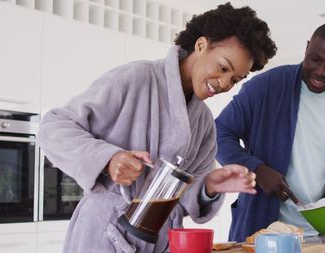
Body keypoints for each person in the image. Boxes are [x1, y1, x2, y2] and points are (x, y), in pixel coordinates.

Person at [38, 2, 276, 253]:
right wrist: (108, 159)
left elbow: (182, 201)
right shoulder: (135, 78)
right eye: (223, 68)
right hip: (102, 236)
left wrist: (208, 187)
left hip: (160, 241)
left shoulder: (204, 122)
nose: (224, 83)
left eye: (235, 79)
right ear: (201, 45)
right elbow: (53, 127)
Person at [215, 22, 325, 242]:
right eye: (315, 59)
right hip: (262, 232)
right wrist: (257, 169)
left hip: (320, 237)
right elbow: (219, 133)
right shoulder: (266, 86)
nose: (321, 72)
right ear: (306, 48)